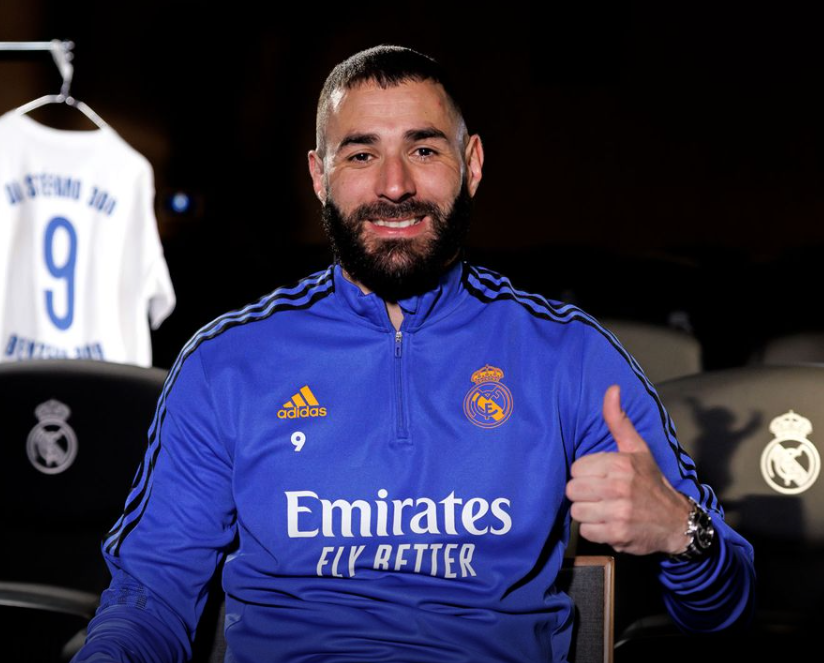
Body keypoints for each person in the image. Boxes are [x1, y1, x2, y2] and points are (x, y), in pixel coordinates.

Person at [72, 45, 755, 663]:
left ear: (472, 164)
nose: (394, 185)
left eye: (423, 150)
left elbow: (725, 610)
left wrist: (682, 530)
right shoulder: (225, 363)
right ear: (319, 175)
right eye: (360, 154)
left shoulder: (569, 355)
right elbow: (149, 598)